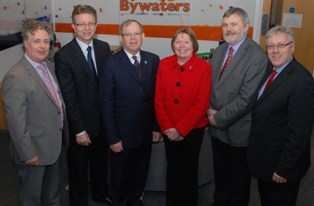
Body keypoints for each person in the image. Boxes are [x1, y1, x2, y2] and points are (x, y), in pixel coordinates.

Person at [2, 19, 68, 205]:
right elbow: (16, 121)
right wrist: (27, 153)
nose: (42, 46)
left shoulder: (48, 66)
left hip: (52, 147)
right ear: (25, 43)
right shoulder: (16, 76)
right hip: (33, 153)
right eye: (36, 41)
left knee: (52, 197)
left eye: (46, 41)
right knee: (32, 199)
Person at [207, 7, 268, 206]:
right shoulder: (220, 50)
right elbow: (209, 86)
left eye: (234, 24)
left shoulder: (257, 56)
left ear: (246, 27)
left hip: (238, 131)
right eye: (225, 25)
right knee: (221, 177)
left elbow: (246, 99)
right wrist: (209, 110)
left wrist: (217, 118)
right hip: (216, 131)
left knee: (239, 184)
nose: (229, 29)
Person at [247, 26, 314, 206]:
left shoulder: (302, 81)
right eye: (270, 46)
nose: (275, 51)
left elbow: (299, 133)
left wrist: (285, 169)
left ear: (292, 47)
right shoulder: (272, 70)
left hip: (281, 167)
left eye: (281, 45)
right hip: (266, 161)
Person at [54, 5, 112, 206]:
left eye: (90, 23)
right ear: (73, 26)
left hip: (102, 122)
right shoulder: (64, 56)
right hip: (80, 125)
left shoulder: (104, 48)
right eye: (81, 24)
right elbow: (69, 97)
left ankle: (100, 194)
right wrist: (79, 130)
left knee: (100, 165)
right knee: (78, 171)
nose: (86, 28)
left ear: (96, 25)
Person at [99, 19, 161, 206]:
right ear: (121, 37)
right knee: (120, 178)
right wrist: (113, 138)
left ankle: (135, 200)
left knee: (140, 173)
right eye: (128, 34)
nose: (133, 38)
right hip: (122, 136)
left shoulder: (153, 59)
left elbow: (155, 98)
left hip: (145, 133)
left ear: (143, 35)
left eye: (137, 33)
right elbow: (106, 104)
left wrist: (156, 127)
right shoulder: (110, 64)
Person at [154, 28, 212, 206]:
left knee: (189, 171)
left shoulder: (204, 68)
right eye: (178, 41)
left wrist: (180, 129)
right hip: (168, 129)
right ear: (173, 45)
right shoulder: (163, 64)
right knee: (172, 170)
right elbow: (158, 99)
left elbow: (201, 104)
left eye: (186, 41)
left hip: (193, 130)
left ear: (194, 45)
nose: (182, 46)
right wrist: (167, 128)